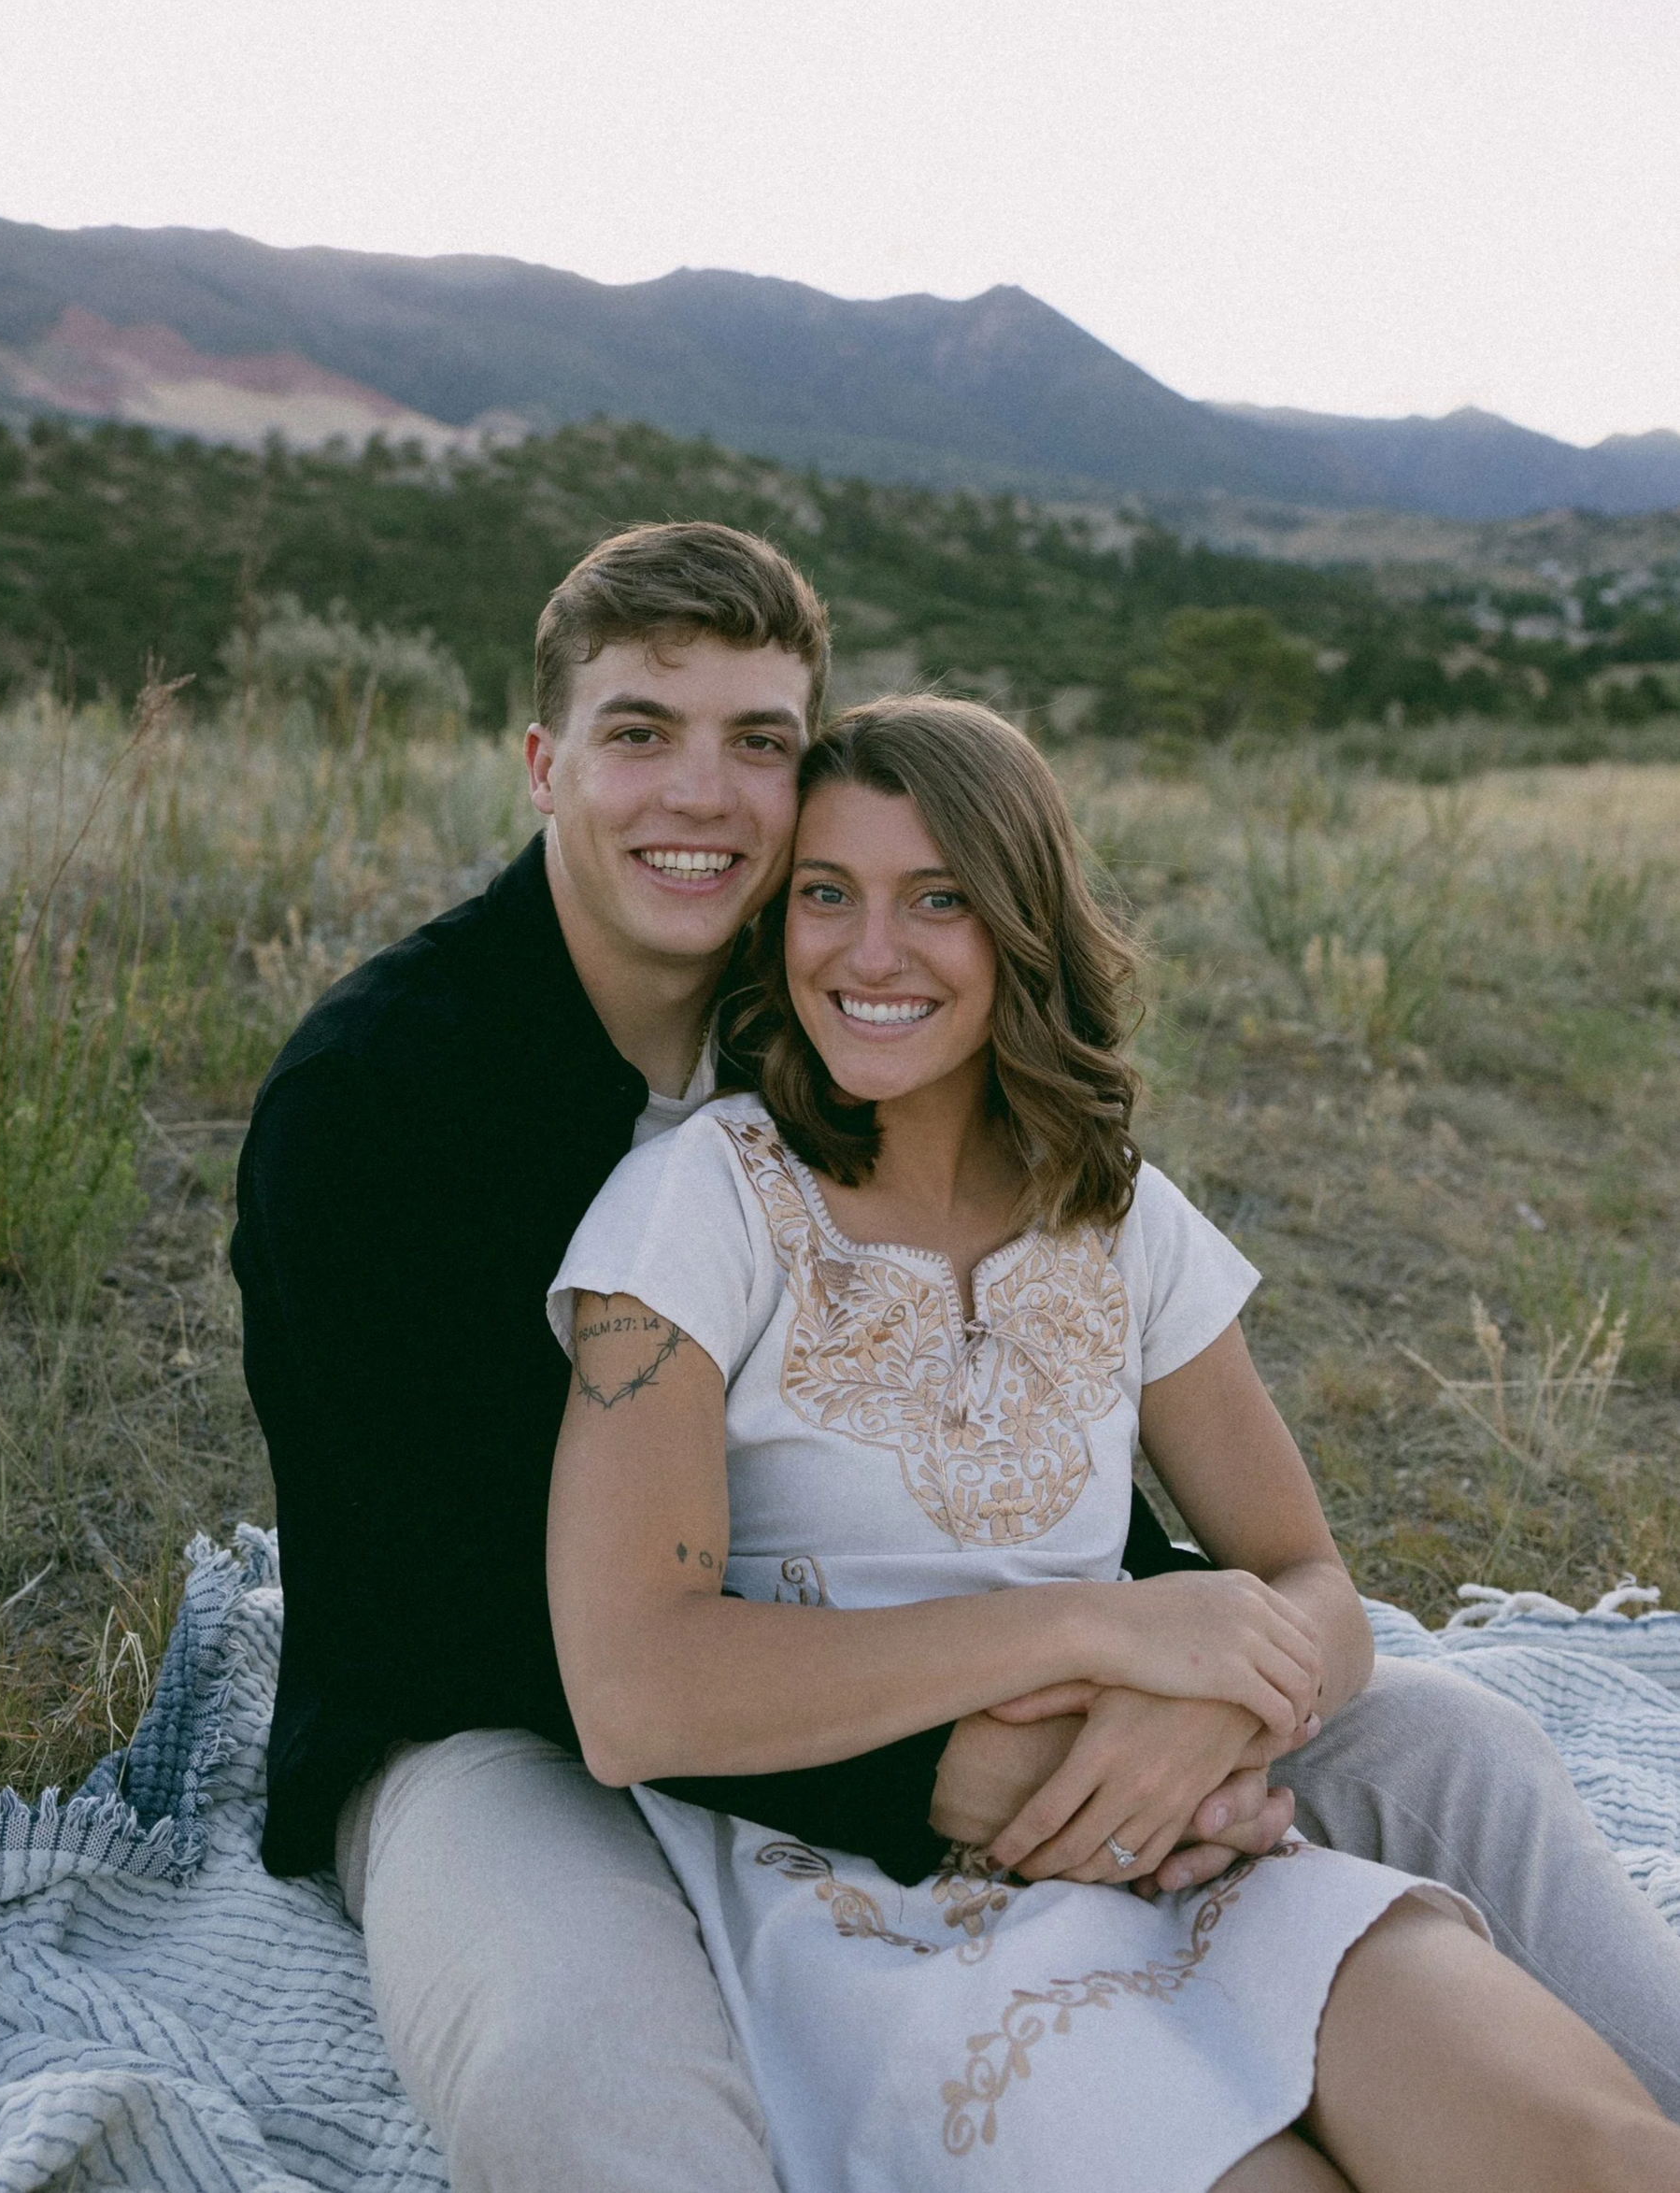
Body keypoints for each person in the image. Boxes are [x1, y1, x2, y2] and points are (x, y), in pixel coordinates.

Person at [231, 521, 1680, 2193]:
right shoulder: (386, 1102)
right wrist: (961, 1753)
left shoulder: (854, 1049)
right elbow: (487, 1621)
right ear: (545, 762)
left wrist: (1170, 1694)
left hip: (935, 1674)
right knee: (591, 2082)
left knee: (1460, 1746)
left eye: (757, 745)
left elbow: (1039, 1474)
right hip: (493, 1717)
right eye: (640, 732)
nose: (700, 797)